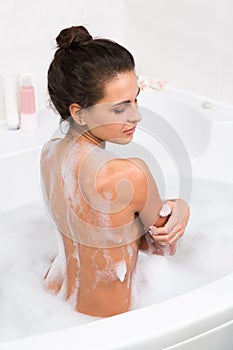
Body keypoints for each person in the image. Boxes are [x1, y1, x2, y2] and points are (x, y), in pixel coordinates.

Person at [40, 25, 190, 317]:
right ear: (78, 112)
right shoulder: (129, 174)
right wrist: (180, 209)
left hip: (52, 299)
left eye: (136, 99)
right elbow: (163, 249)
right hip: (107, 320)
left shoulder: (50, 152)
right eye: (120, 108)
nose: (137, 115)